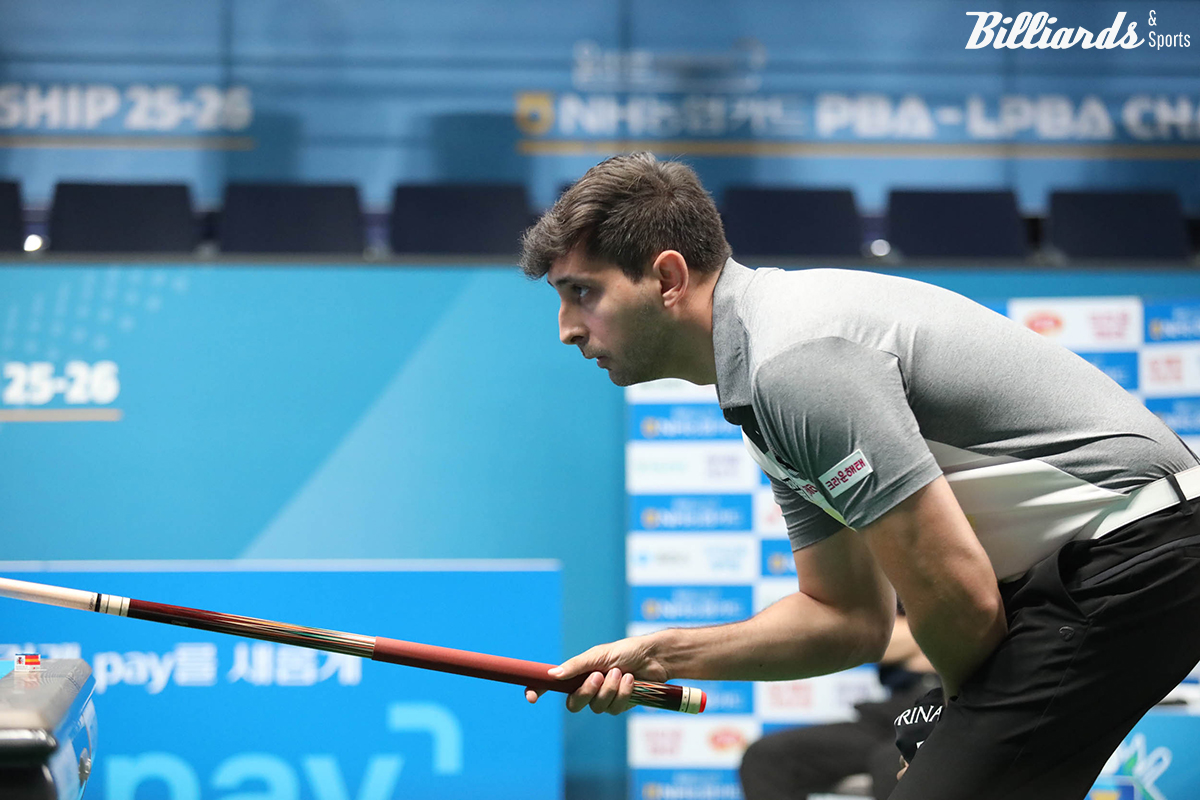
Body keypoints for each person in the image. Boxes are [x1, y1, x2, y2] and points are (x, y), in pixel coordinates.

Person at [518, 152, 1200, 799]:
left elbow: (955, 590)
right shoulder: (762, 379)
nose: (565, 329)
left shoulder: (795, 365)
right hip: (1112, 562)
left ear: (667, 279)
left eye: (583, 293)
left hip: (1140, 548)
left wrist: (951, 716)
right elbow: (848, 619)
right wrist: (661, 655)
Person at [739, 613, 938, 800]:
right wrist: (939, 640)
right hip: (895, 713)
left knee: (892, 763)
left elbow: (966, 643)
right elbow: (866, 637)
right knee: (767, 757)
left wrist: (916, 640)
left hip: (952, 710)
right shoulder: (890, 582)